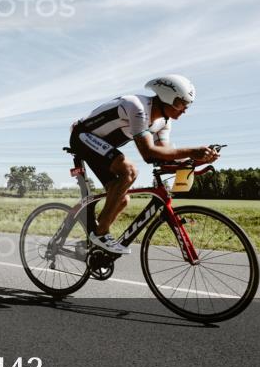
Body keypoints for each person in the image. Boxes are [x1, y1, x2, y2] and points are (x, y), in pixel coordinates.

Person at [69, 75, 219, 254]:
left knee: (121, 199)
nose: (184, 110)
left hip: (102, 148)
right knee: (130, 171)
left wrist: (195, 160)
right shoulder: (137, 107)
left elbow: (164, 153)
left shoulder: (164, 122)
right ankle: (100, 235)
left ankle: (92, 242)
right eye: (181, 103)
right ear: (166, 96)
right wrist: (193, 151)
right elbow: (148, 153)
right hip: (82, 136)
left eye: (188, 105)